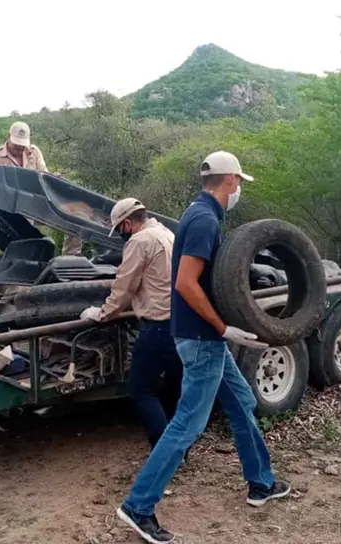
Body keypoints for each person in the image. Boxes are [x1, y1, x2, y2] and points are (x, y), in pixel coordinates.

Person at [116, 151, 290, 544]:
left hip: (204, 338)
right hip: (201, 338)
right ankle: (138, 506)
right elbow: (186, 283)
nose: (240, 189)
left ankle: (261, 482)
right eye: (239, 182)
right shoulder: (204, 220)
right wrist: (222, 326)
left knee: (242, 401)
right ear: (230, 181)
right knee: (187, 424)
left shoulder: (200, 214)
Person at [79, 198, 183, 450]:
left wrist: (102, 314)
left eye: (120, 231)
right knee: (173, 389)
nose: (121, 237)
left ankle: (165, 450)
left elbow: (124, 287)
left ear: (127, 223)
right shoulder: (167, 233)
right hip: (179, 324)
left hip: (157, 325)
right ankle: (180, 449)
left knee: (140, 389)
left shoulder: (140, 241)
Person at [0, 121, 82, 256]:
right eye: (16, 145)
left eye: (22, 145)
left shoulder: (34, 152)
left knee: (73, 215)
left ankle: (72, 258)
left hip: (37, 204)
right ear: (8, 137)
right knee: (24, 228)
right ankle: (26, 261)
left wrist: (53, 178)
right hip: (13, 209)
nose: (19, 149)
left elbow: (44, 178)